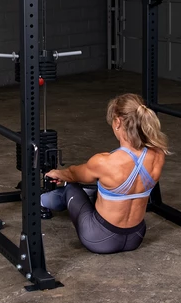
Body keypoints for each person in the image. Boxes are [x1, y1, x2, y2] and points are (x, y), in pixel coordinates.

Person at [41, 93, 169, 254]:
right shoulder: (158, 154)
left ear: (118, 122)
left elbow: (73, 174)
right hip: (135, 237)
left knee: (71, 187)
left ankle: (41, 202)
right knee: (102, 188)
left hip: (99, 239)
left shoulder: (104, 162)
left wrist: (57, 173)